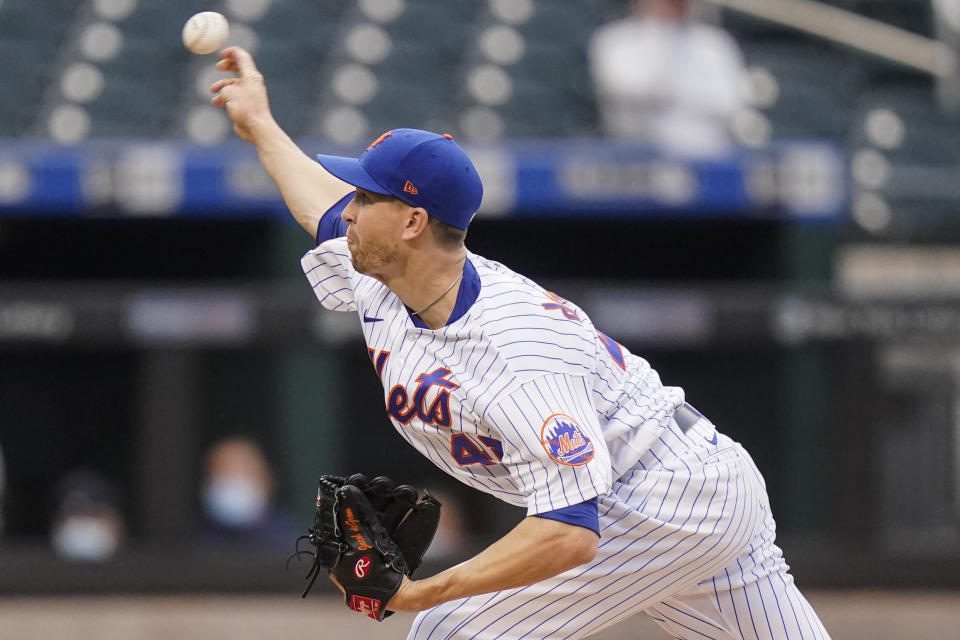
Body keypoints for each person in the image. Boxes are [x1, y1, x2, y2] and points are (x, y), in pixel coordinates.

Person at [211, 47, 830, 639]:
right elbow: (320, 207)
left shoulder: (517, 351)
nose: (349, 211)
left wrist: (423, 592)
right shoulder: (387, 273)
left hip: (660, 497)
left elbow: (569, 534)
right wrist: (260, 124)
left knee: (451, 630)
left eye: (366, 198)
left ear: (411, 223)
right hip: (696, 486)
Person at [589, 0, 752, 157]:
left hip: (707, 156)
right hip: (638, 158)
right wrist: (661, 35)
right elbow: (626, 91)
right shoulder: (615, 40)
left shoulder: (714, 43)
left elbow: (730, 103)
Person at [197, 436, 298, 549]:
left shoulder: (289, 542)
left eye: (240, 471)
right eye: (221, 472)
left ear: (266, 478)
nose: (231, 483)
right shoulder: (194, 544)